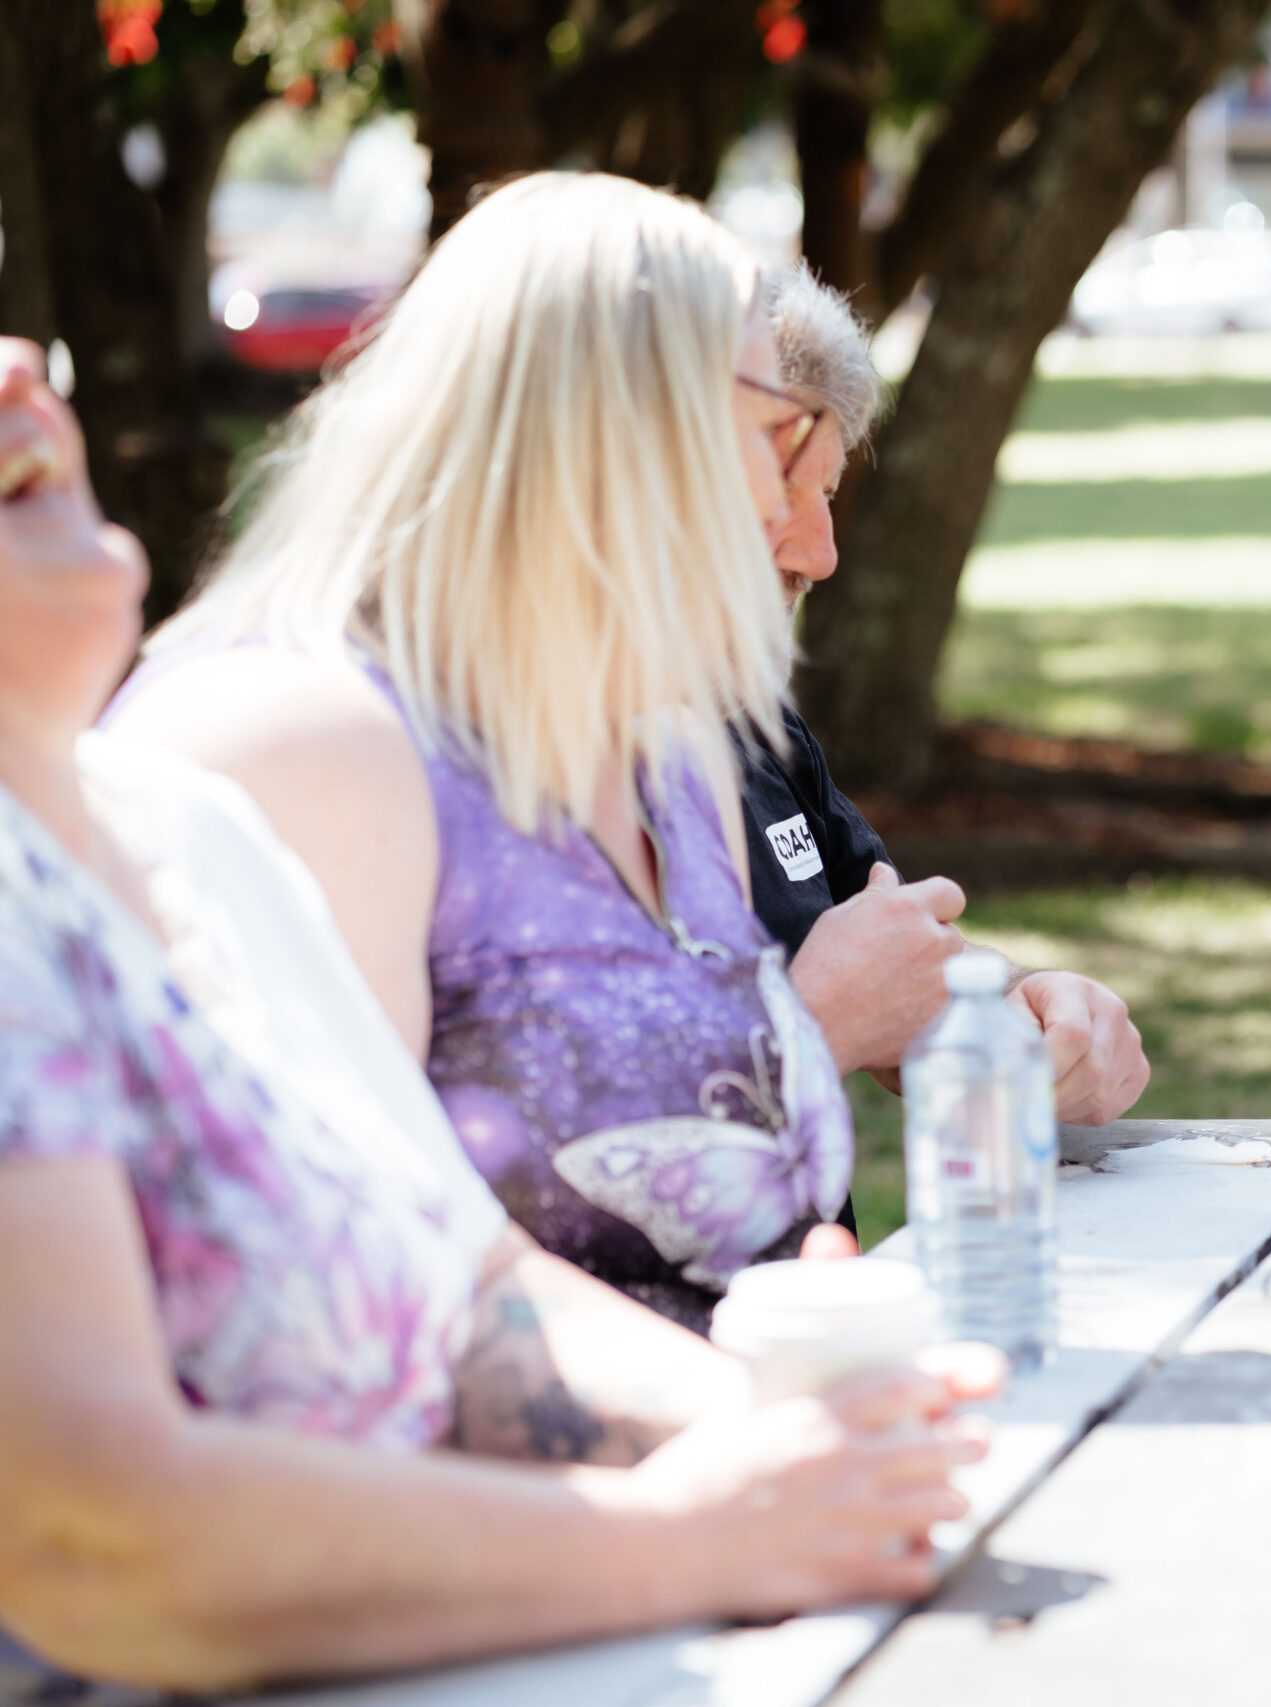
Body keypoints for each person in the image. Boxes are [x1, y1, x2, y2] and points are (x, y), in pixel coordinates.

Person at [0, 338, 999, 1692]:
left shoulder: (179, 827)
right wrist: (690, 1534)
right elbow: (89, 1535)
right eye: (761, 463)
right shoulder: (281, 743)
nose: (15, 369)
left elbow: (472, 1282)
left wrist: (810, 1427)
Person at [111, 175, 851, 1329]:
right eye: (774, 429)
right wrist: (727, 1423)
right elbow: (348, 1290)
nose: (785, 494)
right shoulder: (309, 744)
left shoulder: (671, 758)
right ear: (616, 433)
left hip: (763, 1460)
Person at [739, 265, 1149, 1138]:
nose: (820, 555)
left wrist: (1029, 1007)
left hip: (822, 1276)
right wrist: (806, 1020)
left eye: (829, 491)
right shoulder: (453, 767)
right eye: (777, 494)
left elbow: (891, 968)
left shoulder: (747, 726)